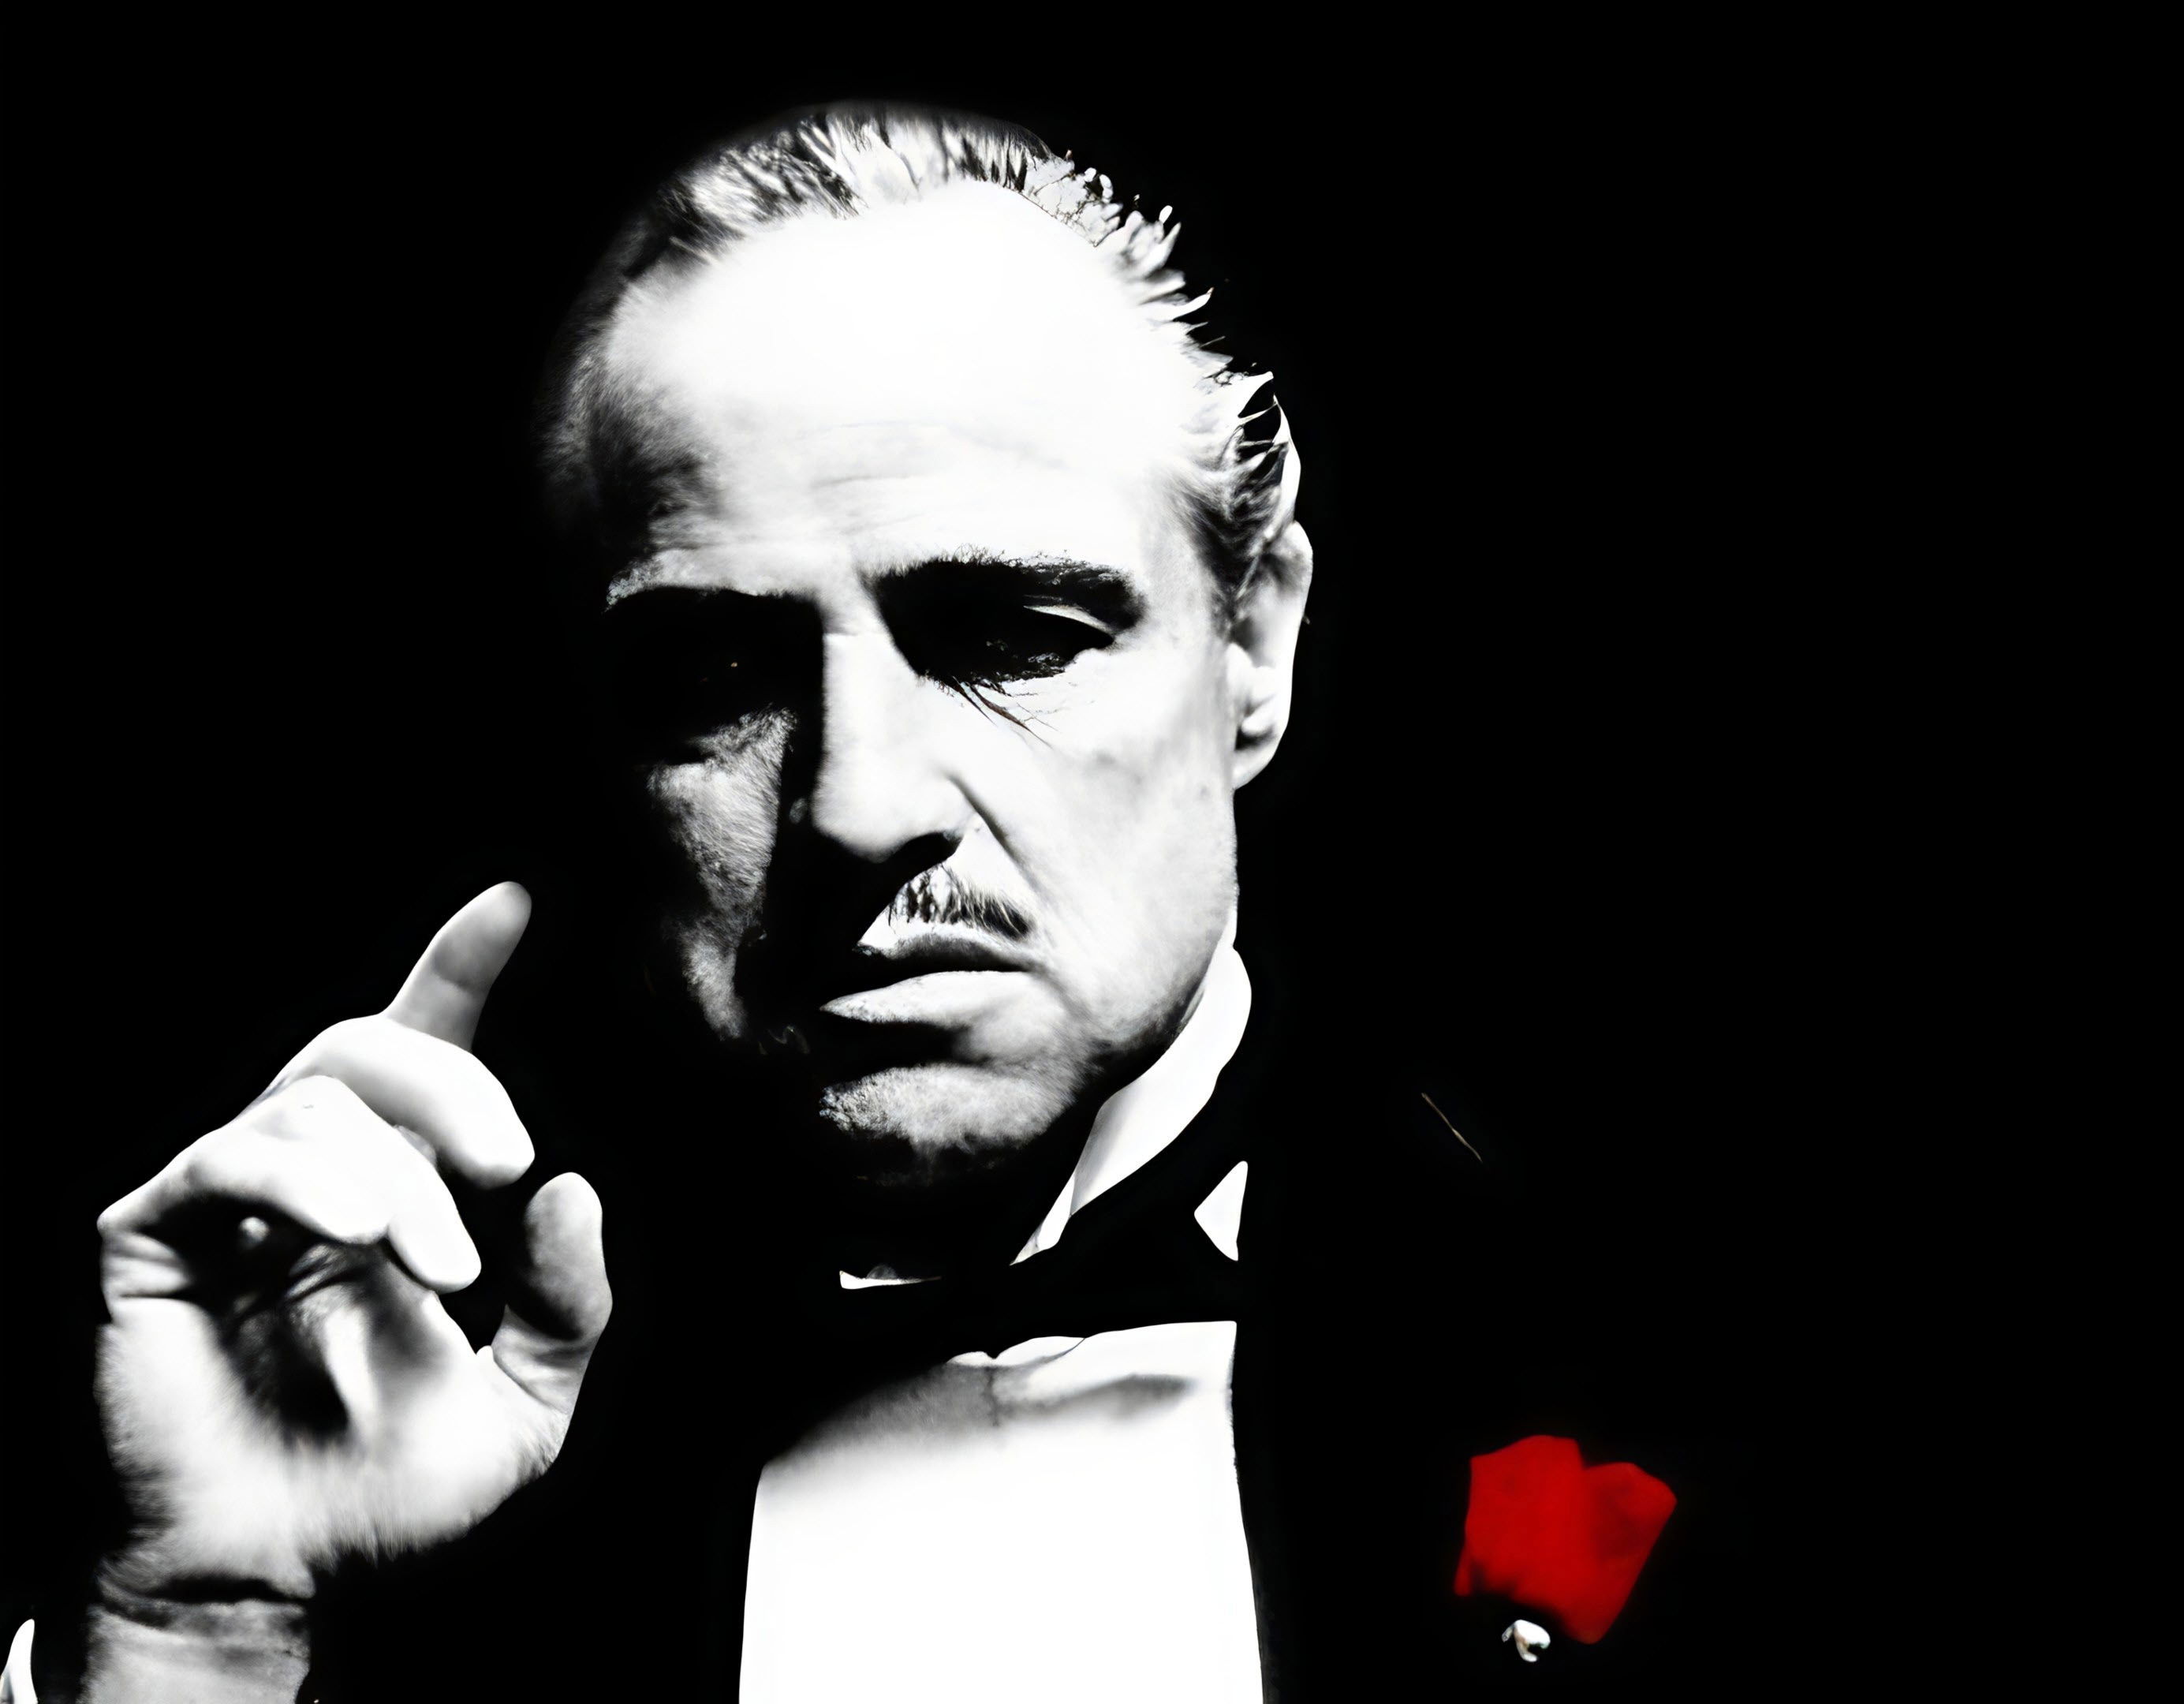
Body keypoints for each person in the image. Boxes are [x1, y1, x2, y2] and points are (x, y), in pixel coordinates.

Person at [9, 103, 1680, 1702]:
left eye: (1013, 638)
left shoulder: (1609, 1315)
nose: (862, 804)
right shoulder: (394, 1406)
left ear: (1251, 643)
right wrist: (189, 1633)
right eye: (716, 676)